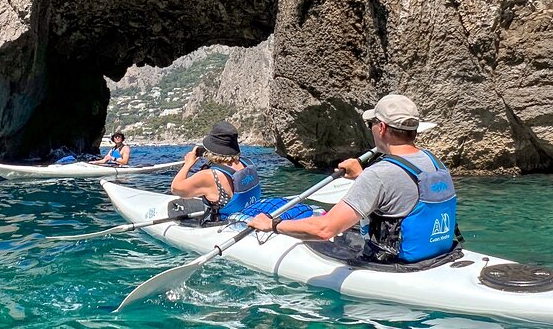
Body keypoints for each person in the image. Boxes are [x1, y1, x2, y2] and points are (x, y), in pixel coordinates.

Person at [249, 94, 458, 263]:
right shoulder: (434, 163)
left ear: (382, 128)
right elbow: (405, 189)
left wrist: (273, 224)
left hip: (396, 263)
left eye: (371, 124)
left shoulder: (379, 174)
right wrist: (361, 175)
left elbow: (325, 229)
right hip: (438, 254)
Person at [171, 121, 261, 222]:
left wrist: (187, 164)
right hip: (250, 214)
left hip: (227, 223)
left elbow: (176, 189)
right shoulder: (247, 163)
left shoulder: (210, 176)